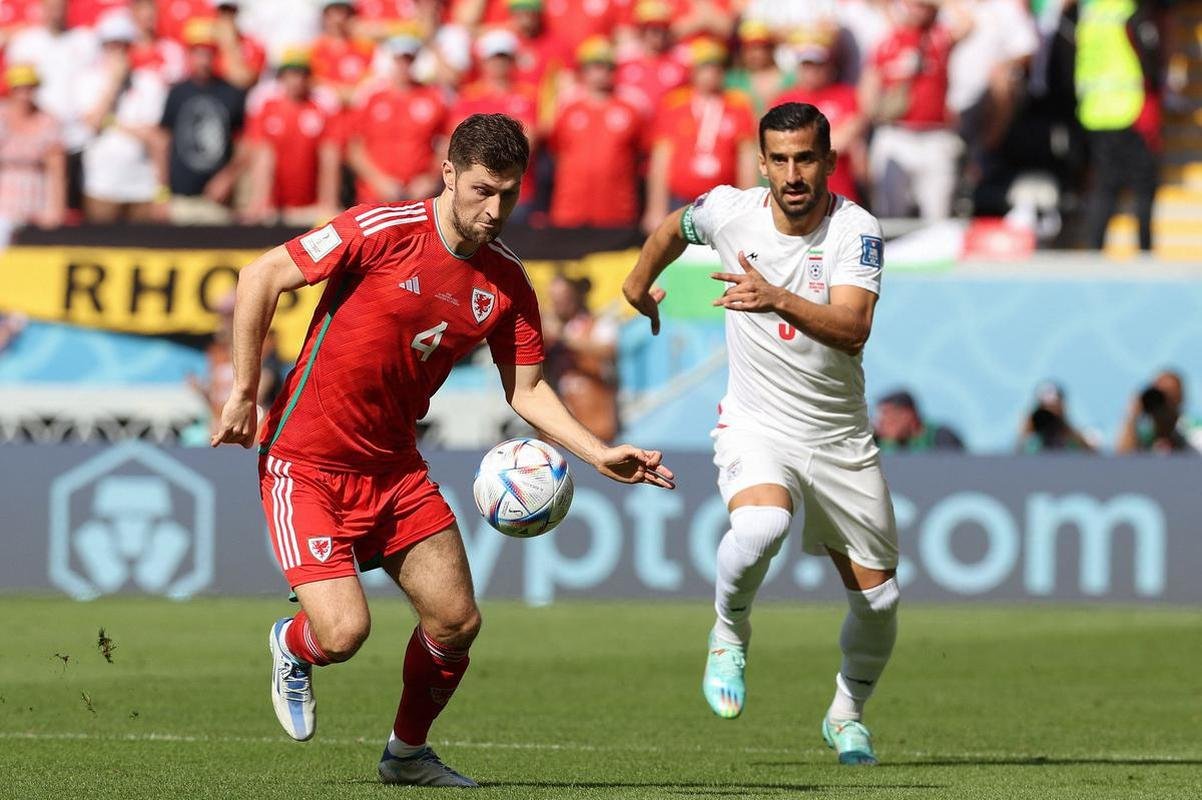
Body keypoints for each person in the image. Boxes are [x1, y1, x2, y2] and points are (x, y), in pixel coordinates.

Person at [210, 113, 674, 788]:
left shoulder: (507, 281)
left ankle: (406, 755)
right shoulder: (381, 229)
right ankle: (292, 643)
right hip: (304, 463)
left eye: (509, 195)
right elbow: (261, 276)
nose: (495, 210)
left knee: (455, 621)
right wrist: (243, 393)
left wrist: (598, 453)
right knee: (342, 634)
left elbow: (527, 388)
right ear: (449, 173)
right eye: (483, 190)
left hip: (394, 469)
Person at [624, 102, 899, 766]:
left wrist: (776, 295)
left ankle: (846, 714)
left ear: (830, 161)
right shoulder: (730, 211)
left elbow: (853, 328)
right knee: (761, 526)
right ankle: (729, 633)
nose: (792, 174)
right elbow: (674, 226)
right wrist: (636, 285)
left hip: (838, 437)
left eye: (805, 159)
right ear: (762, 163)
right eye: (779, 159)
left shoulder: (855, 229)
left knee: (880, 601)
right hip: (757, 424)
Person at [858, 0, 967, 219]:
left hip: (935, 136)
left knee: (938, 215)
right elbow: (867, 91)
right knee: (889, 215)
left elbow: (967, 23)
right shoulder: (887, 41)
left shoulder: (938, 37)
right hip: (895, 134)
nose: (919, 9)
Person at [642, 38, 757, 234]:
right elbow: (661, 159)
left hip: (723, 202)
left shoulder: (738, 105)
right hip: (678, 200)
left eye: (716, 67)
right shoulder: (674, 104)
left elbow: (746, 159)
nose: (711, 74)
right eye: (705, 68)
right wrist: (656, 209)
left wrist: (748, 207)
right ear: (693, 71)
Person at [1075, 0, 1162, 252]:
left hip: (1094, 111)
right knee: (1144, 185)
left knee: (1104, 186)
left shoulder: (1090, 14)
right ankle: (1145, 251)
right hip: (1129, 109)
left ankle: (1094, 249)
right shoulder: (1128, 12)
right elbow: (1151, 59)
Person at [155, 18, 247, 224]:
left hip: (217, 201)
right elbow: (162, 142)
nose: (203, 60)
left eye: (208, 53)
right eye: (198, 53)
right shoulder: (177, 93)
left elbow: (245, 144)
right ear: (189, 55)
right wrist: (162, 192)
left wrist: (228, 177)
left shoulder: (231, 92)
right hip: (180, 199)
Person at [80, 11, 168, 223]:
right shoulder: (87, 81)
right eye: (112, 46)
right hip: (101, 186)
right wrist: (114, 83)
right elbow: (92, 124)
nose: (118, 52)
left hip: (142, 187)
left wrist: (162, 191)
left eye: (123, 46)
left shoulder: (149, 82)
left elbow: (154, 137)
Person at [547, 36, 643, 228]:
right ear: (583, 71)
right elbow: (556, 151)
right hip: (571, 207)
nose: (601, 73)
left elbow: (639, 152)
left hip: (617, 209)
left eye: (607, 67)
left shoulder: (631, 109)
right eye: (595, 67)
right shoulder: (567, 109)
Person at [242, 48, 341, 226]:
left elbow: (329, 157)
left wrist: (328, 204)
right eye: (292, 74)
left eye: (302, 74)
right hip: (274, 206)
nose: (297, 80)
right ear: (282, 77)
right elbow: (261, 154)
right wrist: (260, 201)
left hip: (309, 205)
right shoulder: (268, 108)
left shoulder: (320, 109)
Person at [345, 34, 447, 204]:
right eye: (399, 60)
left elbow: (446, 143)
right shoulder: (372, 98)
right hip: (374, 196)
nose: (403, 66)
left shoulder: (433, 97)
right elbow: (355, 148)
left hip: (418, 196)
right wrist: (379, 181)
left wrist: (431, 178)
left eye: (408, 60)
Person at [774, 27, 867, 204]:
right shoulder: (784, 100)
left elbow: (850, 137)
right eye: (807, 65)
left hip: (841, 193)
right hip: (797, 192)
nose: (812, 71)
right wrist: (831, 140)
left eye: (818, 65)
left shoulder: (846, 96)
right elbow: (781, 145)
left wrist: (802, 142)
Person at [543, 274, 619, 442]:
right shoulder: (547, 330)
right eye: (554, 298)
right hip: (557, 431)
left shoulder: (597, 323)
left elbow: (608, 350)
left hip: (595, 426)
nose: (558, 304)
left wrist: (563, 338)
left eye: (563, 297)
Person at [0, 63, 66, 229]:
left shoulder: (48, 121)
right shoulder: (2, 116)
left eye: (29, 89)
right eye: (19, 89)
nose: (24, 95)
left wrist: (55, 209)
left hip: (35, 198)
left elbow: (56, 169)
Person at [1116, 370, 1202, 454]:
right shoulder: (1144, 434)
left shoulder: (1195, 429)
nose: (1165, 402)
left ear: (1180, 398)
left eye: (1171, 394)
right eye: (1160, 396)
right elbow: (1123, 456)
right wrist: (1133, 416)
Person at [873, 389, 964, 452]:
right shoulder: (879, 441)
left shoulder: (940, 437)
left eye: (886, 414)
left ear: (907, 415)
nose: (881, 422)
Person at [1017, 381, 1095, 453]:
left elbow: (1091, 454)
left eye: (1053, 408)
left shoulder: (1073, 438)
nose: (1048, 419)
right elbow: (1018, 455)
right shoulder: (1031, 441)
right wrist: (1027, 431)